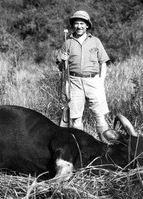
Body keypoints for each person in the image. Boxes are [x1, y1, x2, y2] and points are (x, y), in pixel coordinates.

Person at [56, 10, 110, 138]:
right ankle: (80, 149)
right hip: (74, 82)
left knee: (100, 116)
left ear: (87, 26)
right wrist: (63, 61)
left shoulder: (96, 41)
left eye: (82, 23)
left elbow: (103, 63)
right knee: (76, 119)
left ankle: (105, 145)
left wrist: (100, 82)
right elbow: (61, 68)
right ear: (73, 25)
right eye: (76, 23)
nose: (79, 26)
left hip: (93, 81)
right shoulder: (67, 43)